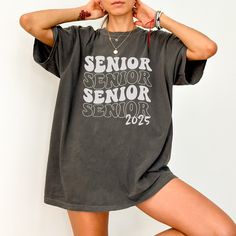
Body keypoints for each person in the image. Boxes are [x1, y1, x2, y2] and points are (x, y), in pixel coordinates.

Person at [19, 0, 236, 235]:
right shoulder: (79, 41)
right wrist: (83, 13)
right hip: (84, 170)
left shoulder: (158, 44)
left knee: (221, 231)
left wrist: (160, 19)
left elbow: (206, 48)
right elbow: (29, 22)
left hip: (144, 172)